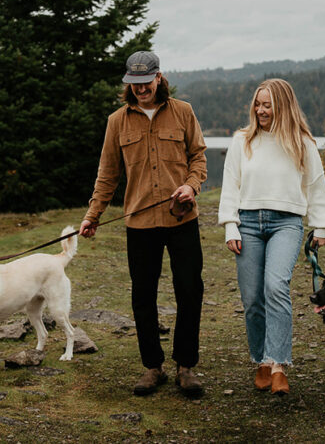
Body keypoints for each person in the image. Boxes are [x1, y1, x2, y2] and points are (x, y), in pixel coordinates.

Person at [80, 51, 208, 397]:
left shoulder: (183, 112)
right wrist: (93, 216)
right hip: (139, 224)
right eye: (133, 84)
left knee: (189, 290)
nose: (140, 89)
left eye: (145, 82)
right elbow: (107, 174)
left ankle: (186, 366)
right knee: (143, 297)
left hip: (182, 219)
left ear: (158, 77)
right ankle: (153, 367)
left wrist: (190, 186)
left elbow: (198, 157)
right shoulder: (116, 122)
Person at [218, 78, 325, 396]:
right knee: (252, 298)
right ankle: (262, 361)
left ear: (282, 105)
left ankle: (279, 365)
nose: (261, 109)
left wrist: (321, 226)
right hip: (248, 224)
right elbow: (231, 184)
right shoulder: (243, 140)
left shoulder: (302, 142)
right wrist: (230, 224)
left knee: (275, 287)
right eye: (258, 104)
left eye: (267, 104)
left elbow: (316, 185)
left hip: (287, 223)